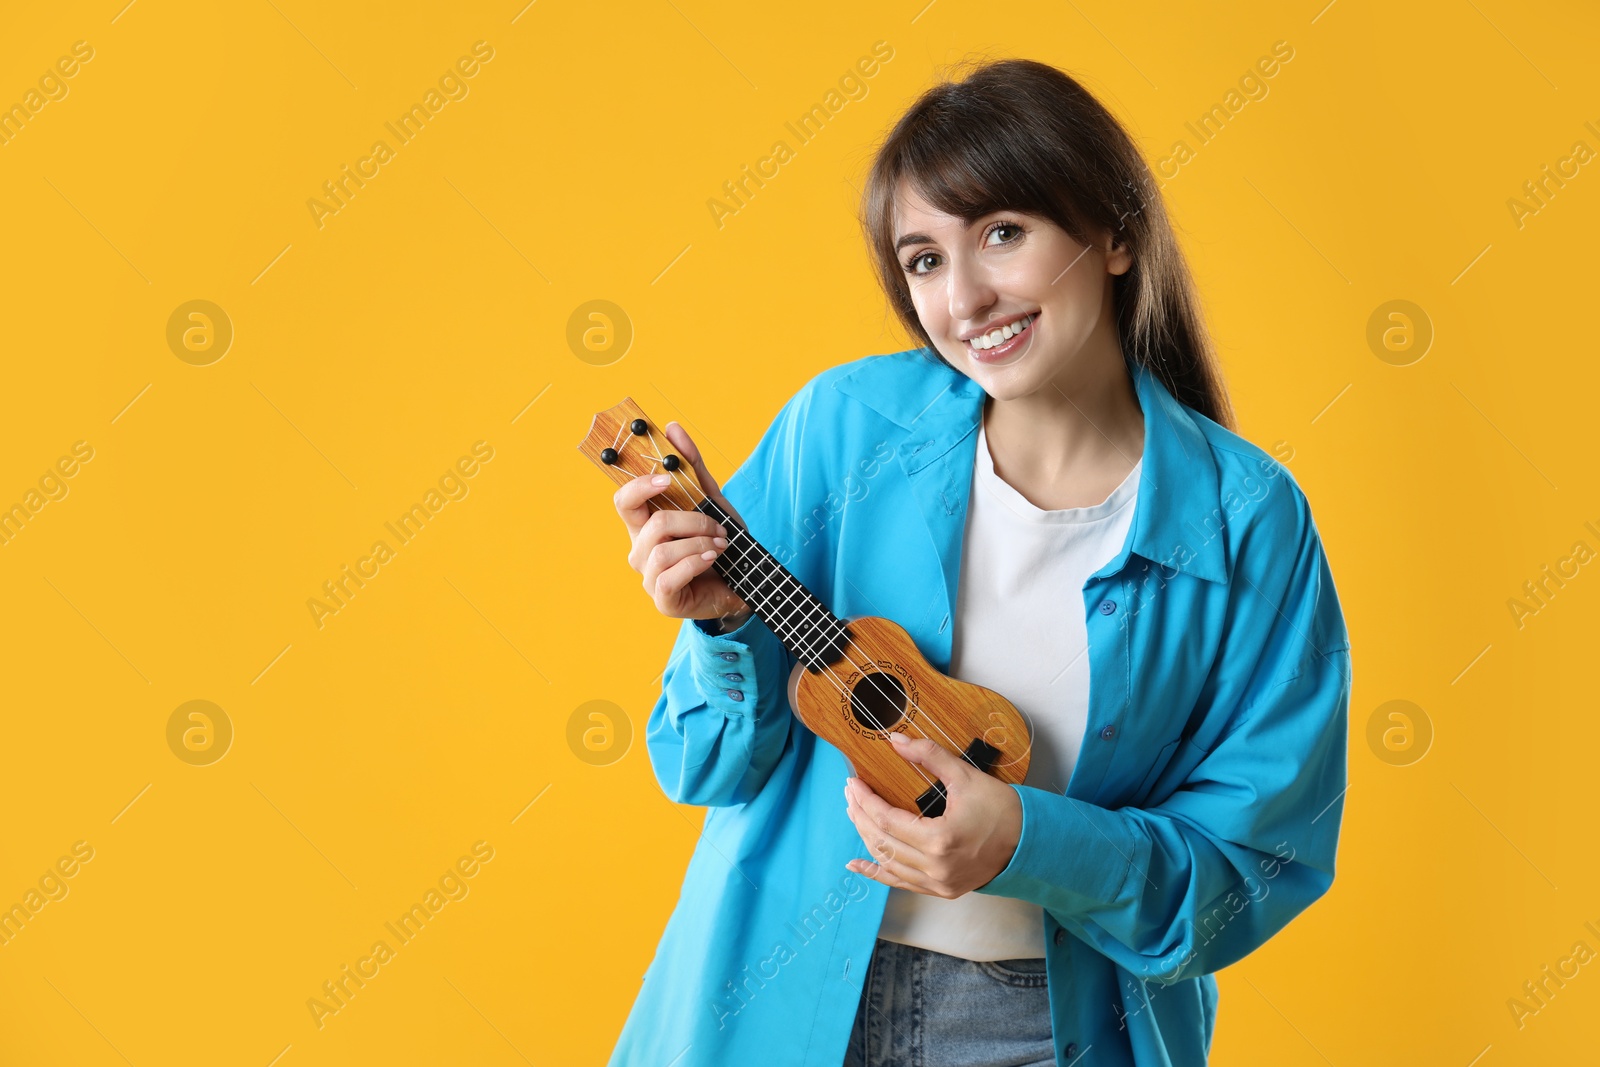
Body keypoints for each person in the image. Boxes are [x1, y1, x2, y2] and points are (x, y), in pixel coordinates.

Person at [607, 57, 1351, 1067]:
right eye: (922, 259)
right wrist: (718, 629)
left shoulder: (1245, 519)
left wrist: (1024, 844)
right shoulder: (843, 426)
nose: (963, 297)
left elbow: (1254, 868)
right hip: (772, 1001)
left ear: (1116, 234)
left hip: (1053, 1029)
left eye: (1002, 233)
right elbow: (700, 764)